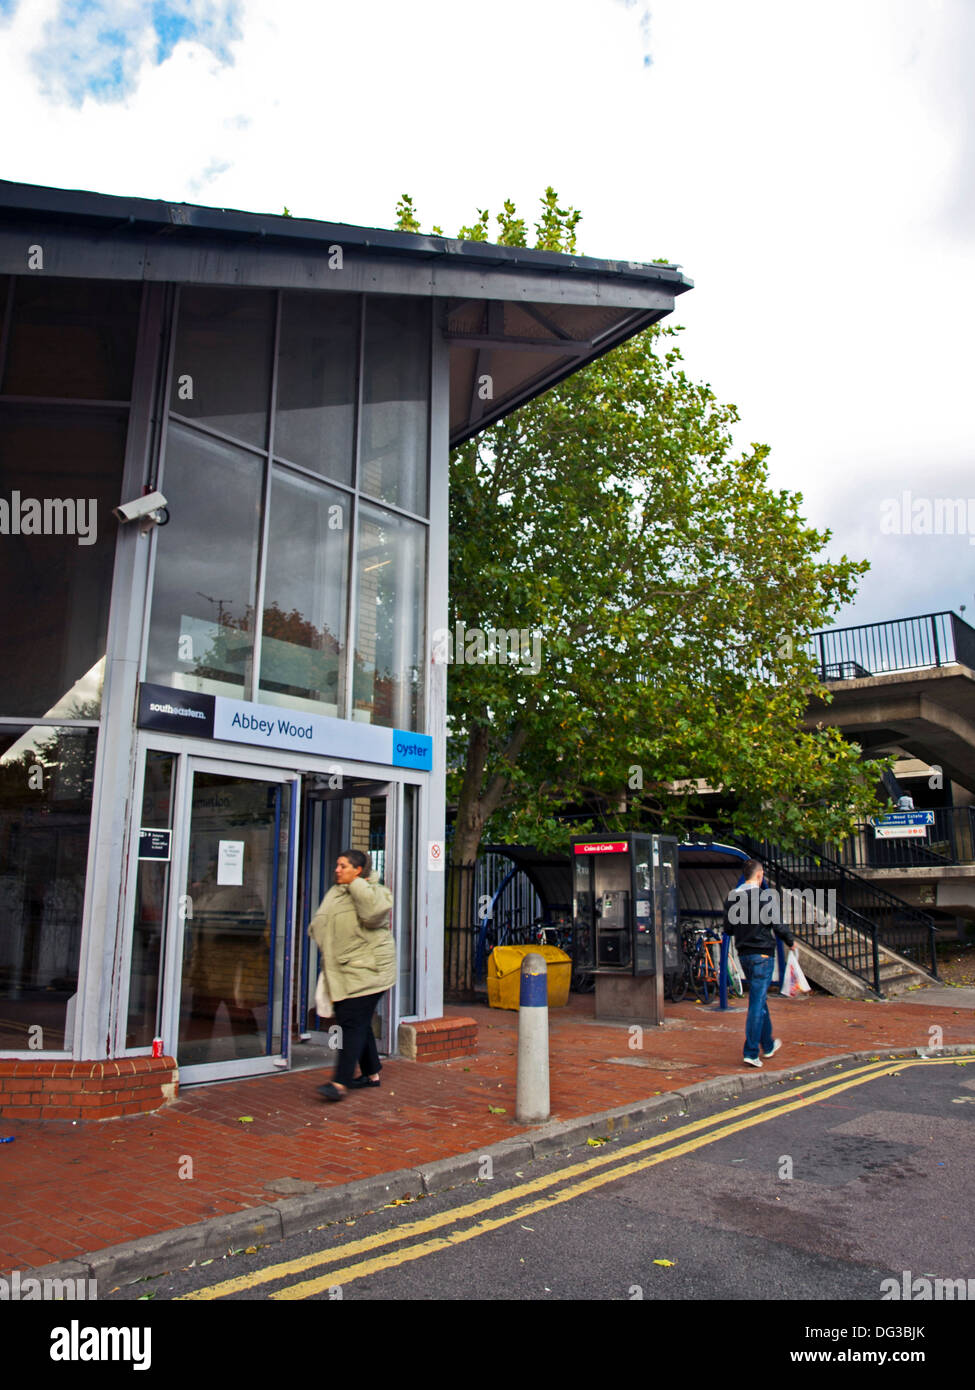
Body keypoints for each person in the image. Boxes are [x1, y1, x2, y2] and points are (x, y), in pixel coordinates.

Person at [308, 848, 395, 1102]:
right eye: (337, 864)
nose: (337, 869)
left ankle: (339, 1083)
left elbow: (372, 913)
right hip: (346, 969)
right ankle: (372, 1074)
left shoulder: (375, 892)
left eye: (343, 866)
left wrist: (356, 884)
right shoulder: (337, 891)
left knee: (351, 1023)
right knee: (358, 1022)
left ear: (357, 870)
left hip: (369, 972)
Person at [722, 858, 795, 1069]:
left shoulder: (732, 898)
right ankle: (751, 1052)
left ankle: (768, 1045)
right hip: (763, 955)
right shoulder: (766, 897)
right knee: (756, 1003)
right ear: (760, 875)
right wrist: (791, 942)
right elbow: (778, 926)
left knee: (760, 1000)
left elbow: (728, 929)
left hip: (744, 955)